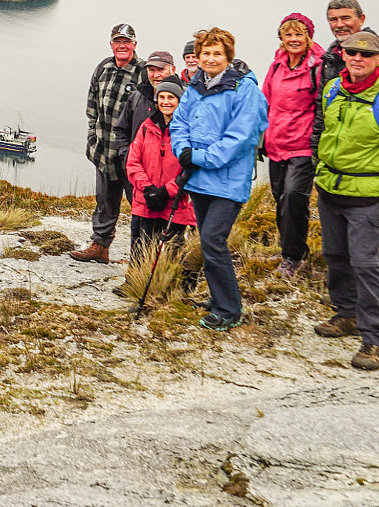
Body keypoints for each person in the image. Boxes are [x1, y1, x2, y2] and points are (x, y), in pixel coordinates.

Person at [312, 31, 379, 372]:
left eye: (366, 54)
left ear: (378, 59)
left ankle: (376, 340)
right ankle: (347, 315)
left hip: (366, 196)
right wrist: (320, 172)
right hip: (330, 189)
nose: (357, 58)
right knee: (335, 256)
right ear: (343, 55)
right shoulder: (333, 91)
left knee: (365, 265)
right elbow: (324, 134)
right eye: (352, 52)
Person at [171, 28, 269, 331]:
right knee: (208, 239)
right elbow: (179, 122)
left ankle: (230, 309)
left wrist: (196, 157)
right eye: (206, 53)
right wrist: (182, 149)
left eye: (217, 53)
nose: (211, 58)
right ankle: (218, 298)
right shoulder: (196, 86)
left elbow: (240, 138)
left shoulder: (245, 90)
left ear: (228, 56)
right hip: (199, 179)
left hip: (228, 180)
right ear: (198, 57)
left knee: (213, 240)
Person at [72, 23, 147, 264]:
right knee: (104, 202)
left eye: (127, 41)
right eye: (117, 41)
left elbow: (150, 112)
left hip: (131, 155)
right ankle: (100, 246)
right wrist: (92, 136)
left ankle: (144, 256)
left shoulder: (144, 72)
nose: (122, 46)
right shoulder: (103, 68)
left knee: (140, 205)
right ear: (111, 44)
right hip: (103, 149)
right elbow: (92, 104)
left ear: (135, 44)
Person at [261, 12, 325, 277]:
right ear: (281, 38)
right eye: (288, 34)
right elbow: (263, 102)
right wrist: (259, 136)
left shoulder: (318, 68)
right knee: (280, 200)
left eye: (299, 34)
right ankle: (290, 249)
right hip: (276, 145)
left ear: (308, 37)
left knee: (293, 198)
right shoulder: (276, 66)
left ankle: (293, 256)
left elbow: (323, 107)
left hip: (302, 147)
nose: (293, 39)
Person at [125, 76, 196, 252]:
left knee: (173, 254)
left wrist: (166, 192)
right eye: (162, 97)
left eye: (171, 98)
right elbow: (133, 163)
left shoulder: (189, 130)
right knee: (142, 251)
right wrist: (148, 189)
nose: (166, 102)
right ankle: (137, 280)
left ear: (180, 100)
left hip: (175, 204)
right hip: (147, 201)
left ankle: (167, 281)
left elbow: (191, 169)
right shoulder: (146, 127)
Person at [319, 0, 379, 88]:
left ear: (361, 19)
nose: (339, 24)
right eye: (333, 20)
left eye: (345, 18)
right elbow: (322, 97)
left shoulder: (376, 53)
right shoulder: (331, 55)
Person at [123, 50, 177, 140]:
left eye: (161, 70)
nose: (156, 75)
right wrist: (127, 153)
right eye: (152, 70)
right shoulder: (136, 98)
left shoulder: (185, 98)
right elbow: (121, 130)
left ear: (173, 70)